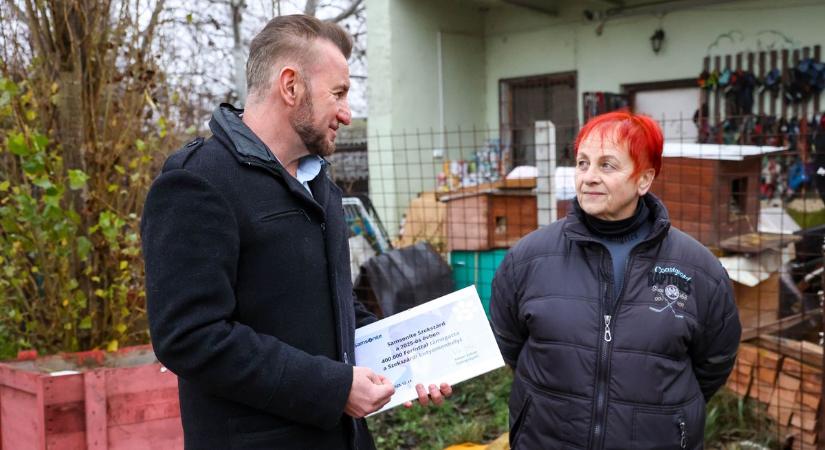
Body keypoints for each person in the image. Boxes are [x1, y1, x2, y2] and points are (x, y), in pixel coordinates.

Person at [141, 15, 449, 450]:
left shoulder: (317, 182)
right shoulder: (198, 183)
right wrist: (336, 388)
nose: (346, 112)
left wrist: (408, 361)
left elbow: (332, 305)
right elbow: (190, 337)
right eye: (338, 93)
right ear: (291, 86)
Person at [490, 111, 741, 450]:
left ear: (644, 180)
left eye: (607, 165)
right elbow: (511, 345)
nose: (589, 177)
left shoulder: (699, 269)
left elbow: (713, 362)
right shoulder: (528, 258)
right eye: (582, 163)